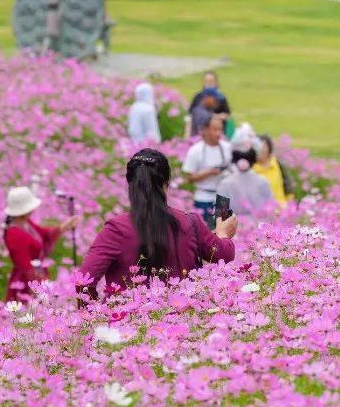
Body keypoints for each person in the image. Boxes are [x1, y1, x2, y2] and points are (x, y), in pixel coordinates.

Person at [79, 149, 236, 299]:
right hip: (184, 322)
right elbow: (224, 254)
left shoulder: (115, 229)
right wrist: (222, 233)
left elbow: (83, 283)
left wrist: (95, 316)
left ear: (130, 186)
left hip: (128, 323)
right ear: (166, 185)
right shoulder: (190, 223)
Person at [4, 186, 78, 302]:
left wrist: (65, 226)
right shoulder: (14, 234)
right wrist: (37, 289)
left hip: (37, 275)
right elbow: (25, 267)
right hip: (26, 283)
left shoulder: (25, 223)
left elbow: (44, 234)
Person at [182, 115, 232, 228]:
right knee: (205, 230)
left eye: (220, 129)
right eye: (215, 129)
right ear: (205, 129)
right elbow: (189, 177)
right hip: (203, 196)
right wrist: (208, 173)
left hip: (223, 197)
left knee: (221, 231)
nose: (218, 133)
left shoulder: (227, 148)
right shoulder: (195, 151)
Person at [217, 146, 273, 216]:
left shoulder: (225, 183)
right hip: (259, 223)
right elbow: (271, 207)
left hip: (233, 224)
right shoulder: (263, 181)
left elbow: (220, 213)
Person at [253, 134, 292, 206]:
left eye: (263, 146)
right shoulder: (250, 168)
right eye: (257, 146)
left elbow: (288, 186)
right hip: (259, 211)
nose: (260, 149)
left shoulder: (278, 164)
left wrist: (290, 205)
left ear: (269, 148)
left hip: (281, 209)